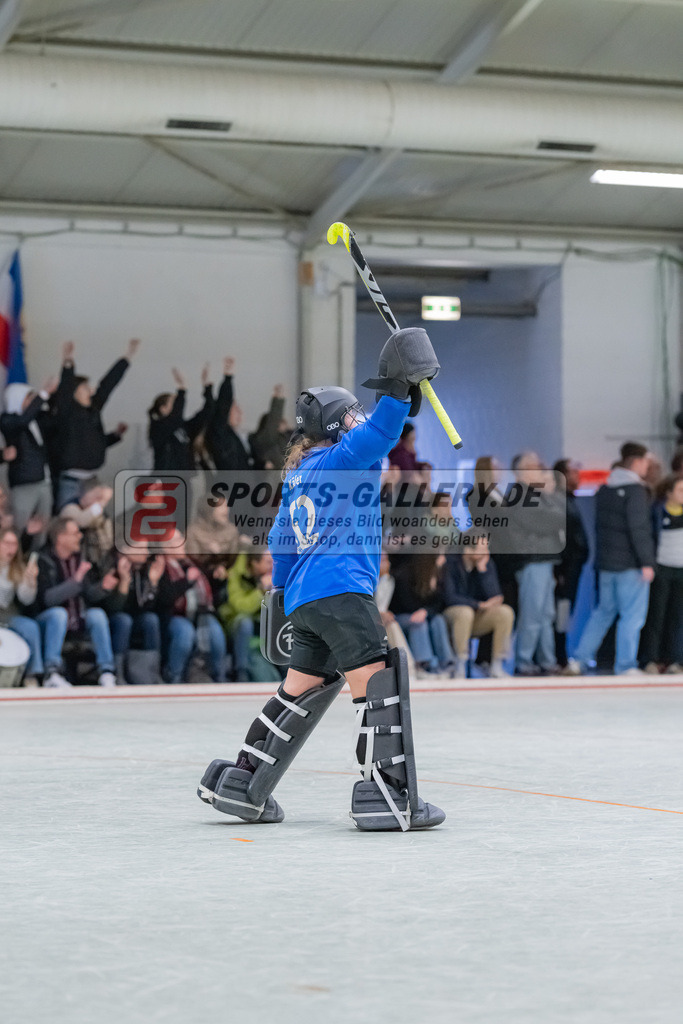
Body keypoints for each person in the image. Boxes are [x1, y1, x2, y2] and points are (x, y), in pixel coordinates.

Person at [197, 326, 446, 830]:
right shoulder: (344, 458)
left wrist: (283, 599)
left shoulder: (300, 474)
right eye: (350, 413)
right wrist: (398, 390)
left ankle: (243, 783)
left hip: (306, 600)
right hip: (342, 591)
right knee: (378, 683)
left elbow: (280, 545)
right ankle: (386, 796)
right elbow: (378, 434)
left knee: (296, 692)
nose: (357, 417)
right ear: (337, 424)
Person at [566, 443, 655, 676]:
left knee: (603, 613)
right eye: (646, 462)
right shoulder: (635, 490)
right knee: (632, 616)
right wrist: (646, 561)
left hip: (606, 564)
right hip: (630, 565)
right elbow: (639, 529)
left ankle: (579, 659)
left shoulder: (604, 490)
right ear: (636, 462)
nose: (647, 466)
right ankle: (625, 665)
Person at [53, 340, 138, 510]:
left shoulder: (93, 410)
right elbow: (64, 391)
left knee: (93, 525)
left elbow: (107, 385)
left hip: (92, 480)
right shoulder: (67, 411)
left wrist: (127, 357)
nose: (90, 391)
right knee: (70, 520)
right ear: (75, 392)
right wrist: (68, 363)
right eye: (85, 388)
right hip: (72, 482)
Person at [35, 517, 119, 688]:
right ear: (60, 538)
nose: (79, 537)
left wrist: (102, 587)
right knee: (59, 614)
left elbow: (88, 594)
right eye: (75, 533)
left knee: (97, 615)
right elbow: (47, 599)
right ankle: (52, 672)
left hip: (77, 616)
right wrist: (75, 580)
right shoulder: (43, 560)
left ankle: (106, 671)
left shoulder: (79, 559)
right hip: (48, 619)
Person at [507, 451, 565, 675]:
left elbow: (559, 518)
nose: (540, 469)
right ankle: (523, 661)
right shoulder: (519, 494)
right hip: (533, 560)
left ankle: (547, 660)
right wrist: (550, 495)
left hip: (545, 559)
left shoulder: (536, 493)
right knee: (532, 615)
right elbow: (548, 520)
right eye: (534, 466)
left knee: (546, 615)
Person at [156, 531, 227, 683]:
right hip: (174, 616)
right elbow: (163, 599)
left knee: (215, 634)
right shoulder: (160, 566)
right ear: (166, 547)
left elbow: (211, 593)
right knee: (185, 633)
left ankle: (218, 677)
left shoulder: (191, 563)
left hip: (201, 613)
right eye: (178, 540)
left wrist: (219, 580)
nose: (183, 542)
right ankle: (175, 676)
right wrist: (186, 581)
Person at [443, 534, 514, 678]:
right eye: (482, 547)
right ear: (468, 549)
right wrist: (478, 605)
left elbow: (496, 596)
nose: (486, 551)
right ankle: (460, 664)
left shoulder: (486, 564)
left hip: (476, 616)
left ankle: (496, 665)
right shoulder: (451, 564)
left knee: (505, 612)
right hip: (452, 615)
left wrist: (483, 571)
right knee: (465, 612)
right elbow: (449, 597)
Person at [0, 378, 58, 545]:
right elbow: (22, 421)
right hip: (24, 483)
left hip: (44, 480)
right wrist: (43, 393)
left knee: (42, 528)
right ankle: (14, 563)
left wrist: (52, 397)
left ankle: (36, 561)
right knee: (19, 526)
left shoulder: (36, 420)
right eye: (29, 398)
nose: (33, 402)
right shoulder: (8, 419)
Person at [639, 473, 683, 673]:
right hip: (662, 570)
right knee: (656, 617)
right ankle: (651, 659)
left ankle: (676, 660)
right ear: (669, 492)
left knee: (678, 617)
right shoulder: (657, 511)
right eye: (681, 490)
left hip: (681, 571)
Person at [388, 553, 455, 674]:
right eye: (440, 555)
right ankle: (423, 664)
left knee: (438, 620)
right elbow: (406, 605)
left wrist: (426, 610)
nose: (444, 559)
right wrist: (423, 611)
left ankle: (445, 662)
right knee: (419, 623)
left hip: (421, 614)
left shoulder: (436, 575)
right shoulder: (405, 575)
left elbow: (440, 604)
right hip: (400, 616)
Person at [552, 458, 589, 666]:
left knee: (565, 612)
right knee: (561, 612)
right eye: (573, 473)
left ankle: (560, 653)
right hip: (564, 571)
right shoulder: (558, 501)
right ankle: (560, 655)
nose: (578, 477)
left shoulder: (569, 500)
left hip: (572, 569)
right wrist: (560, 571)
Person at [218, 552, 273, 681]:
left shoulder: (272, 574)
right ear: (255, 563)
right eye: (268, 562)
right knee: (244, 622)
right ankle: (240, 672)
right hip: (233, 623)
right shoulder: (235, 573)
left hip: (260, 624)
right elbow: (240, 607)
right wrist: (260, 591)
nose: (273, 565)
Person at [148, 365, 213, 472]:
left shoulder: (184, 427)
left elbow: (207, 412)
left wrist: (207, 387)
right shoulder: (158, 427)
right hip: (168, 480)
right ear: (163, 409)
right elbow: (175, 418)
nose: (178, 406)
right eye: (175, 403)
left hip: (185, 479)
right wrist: (182, 390)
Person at [0, 528, 42, 686]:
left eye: (14, 544)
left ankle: (33, 674)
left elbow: (26, 599)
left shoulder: (17, 568)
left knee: (30, 627)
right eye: (7, 543)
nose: (11, 548)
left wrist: (31, 581)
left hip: (7, 616)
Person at [205, 357, 251, 471]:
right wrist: (227, 379)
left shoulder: (234, 436)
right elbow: (223, 406)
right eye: (235, 409)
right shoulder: (219, 432)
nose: (240, 413)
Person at [249, 384, 291, 470]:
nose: (284, 423)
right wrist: (278, 400)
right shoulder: (267, 440)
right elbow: (273, 420)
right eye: (281, 420)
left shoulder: (282, 439)